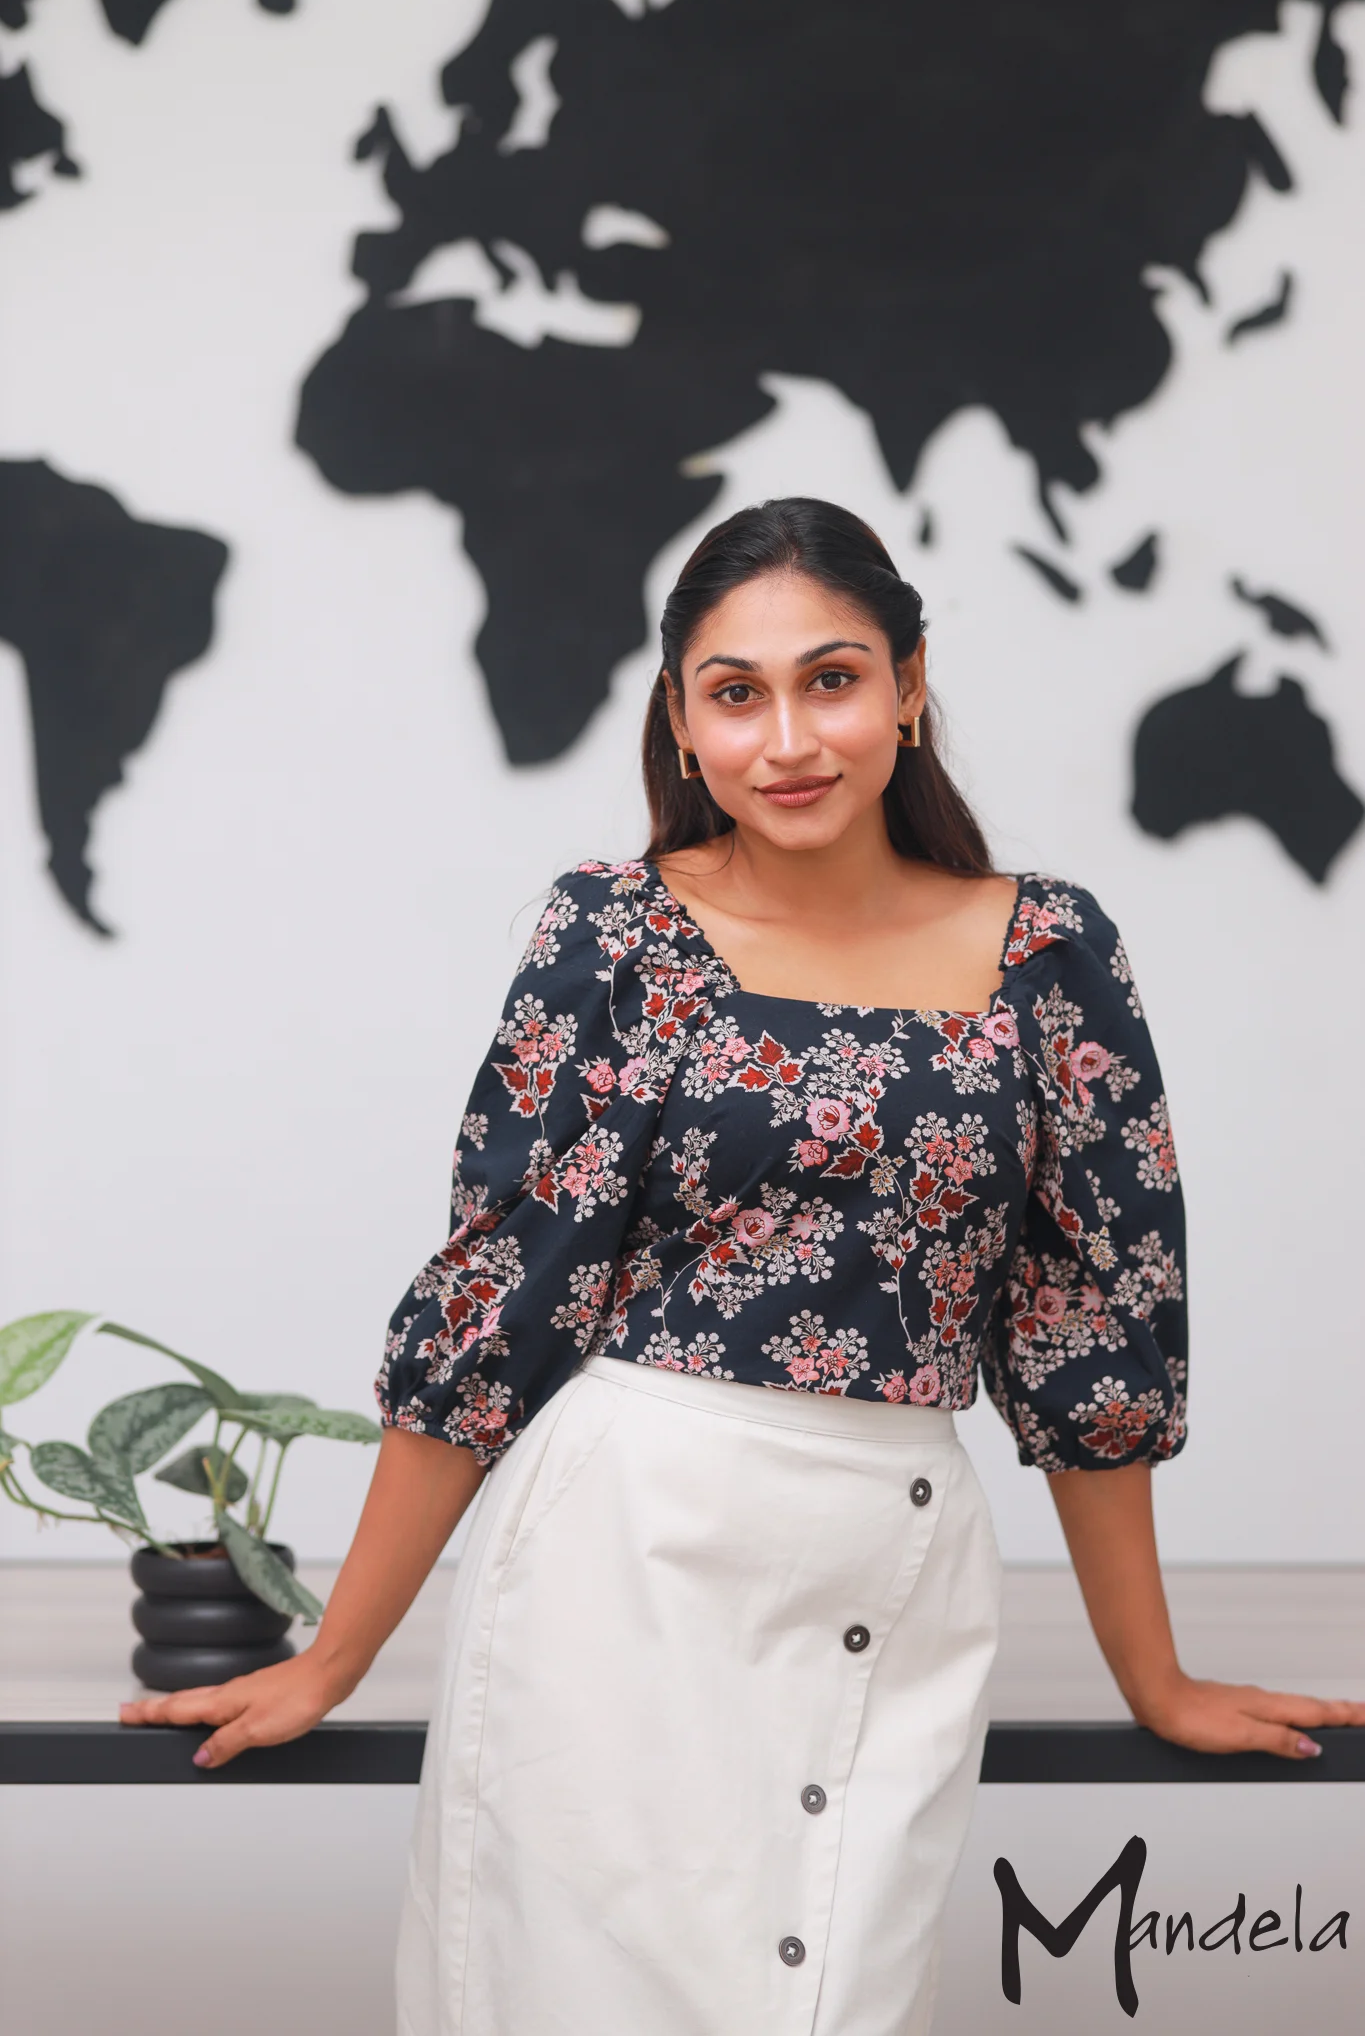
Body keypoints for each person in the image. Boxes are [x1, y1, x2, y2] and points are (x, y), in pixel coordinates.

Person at [120, 498, 1365, 2034]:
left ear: (909, 685)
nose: (788, 739)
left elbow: (1084, 1330)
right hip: (619, 1571)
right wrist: (334, 1659)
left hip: (898, 1570)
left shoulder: (1049, 954)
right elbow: (498, 1307)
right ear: (681, 720)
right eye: (736, 693)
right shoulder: (616, 937)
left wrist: (1155, 1681)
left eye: (831, 680)